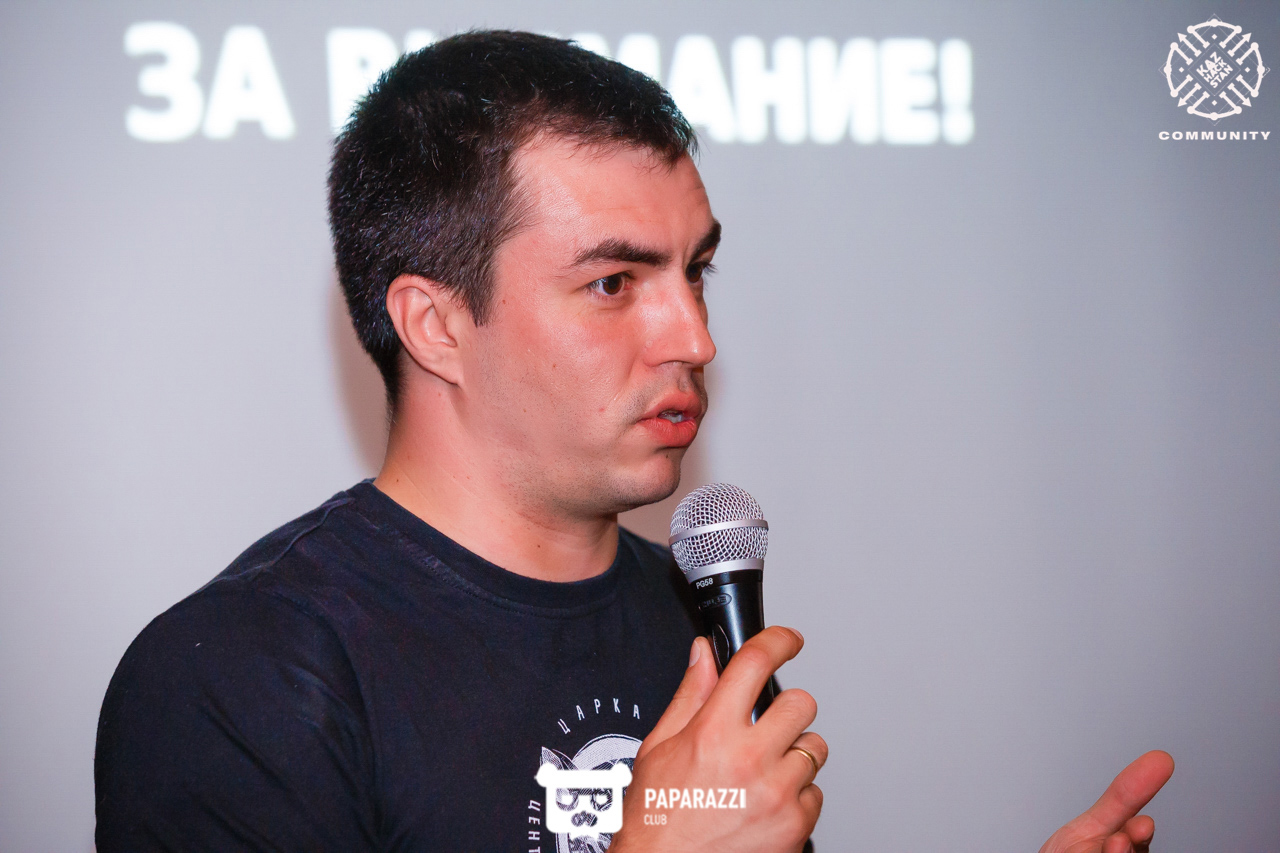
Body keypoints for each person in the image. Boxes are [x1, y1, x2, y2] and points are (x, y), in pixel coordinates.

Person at [94, 30, 1173, 853]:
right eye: (614, 283)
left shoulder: (694, 613)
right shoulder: (242, 677)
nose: (694, 337)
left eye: (695, 271)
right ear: (435, 326)